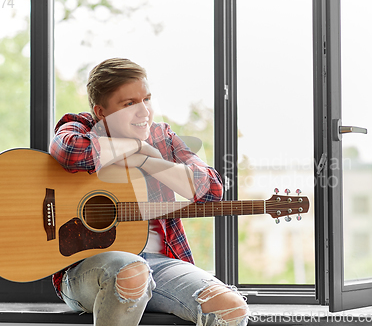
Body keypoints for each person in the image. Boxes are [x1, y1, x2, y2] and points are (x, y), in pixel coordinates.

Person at [49, 57, 249, 326]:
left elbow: (212, 189)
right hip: (87, 270)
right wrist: (129, 148)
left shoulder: (161, 137)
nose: (144, 111)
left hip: (160, 264)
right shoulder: (81, 127)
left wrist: (149, 159)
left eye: (147, 99)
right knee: (132, 271)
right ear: (101, 112)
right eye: (129, 103)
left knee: (232, 309)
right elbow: (69, 150)